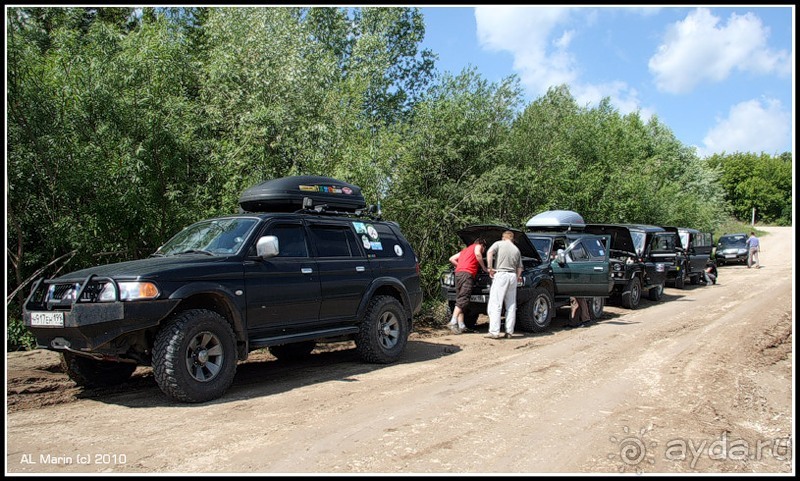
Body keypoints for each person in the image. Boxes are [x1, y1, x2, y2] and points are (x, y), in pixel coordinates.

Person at [486, 230, 523, 339]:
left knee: (496, 303)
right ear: (512, 239)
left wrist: (490, 268)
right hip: (512, 276)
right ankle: (509, 331)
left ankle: (494, 331)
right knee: (511, 305)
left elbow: (489, 252)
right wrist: (516, 277)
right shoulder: (516, 249)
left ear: (503, 237)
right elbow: (520, 268)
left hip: (501, 274)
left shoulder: (499, 243)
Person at [447, 238, 488, 334]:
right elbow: (478, 254)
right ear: (482, 245)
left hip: (458, 274)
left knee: (460, 299)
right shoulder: (477, 246)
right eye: (484, 248)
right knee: (464, 298)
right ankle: (453, 321)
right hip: (467, 274)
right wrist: (484, 268)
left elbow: (451, 259)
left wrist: (460, 265)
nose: (484, 250)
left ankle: (462, 325)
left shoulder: (465, 250)